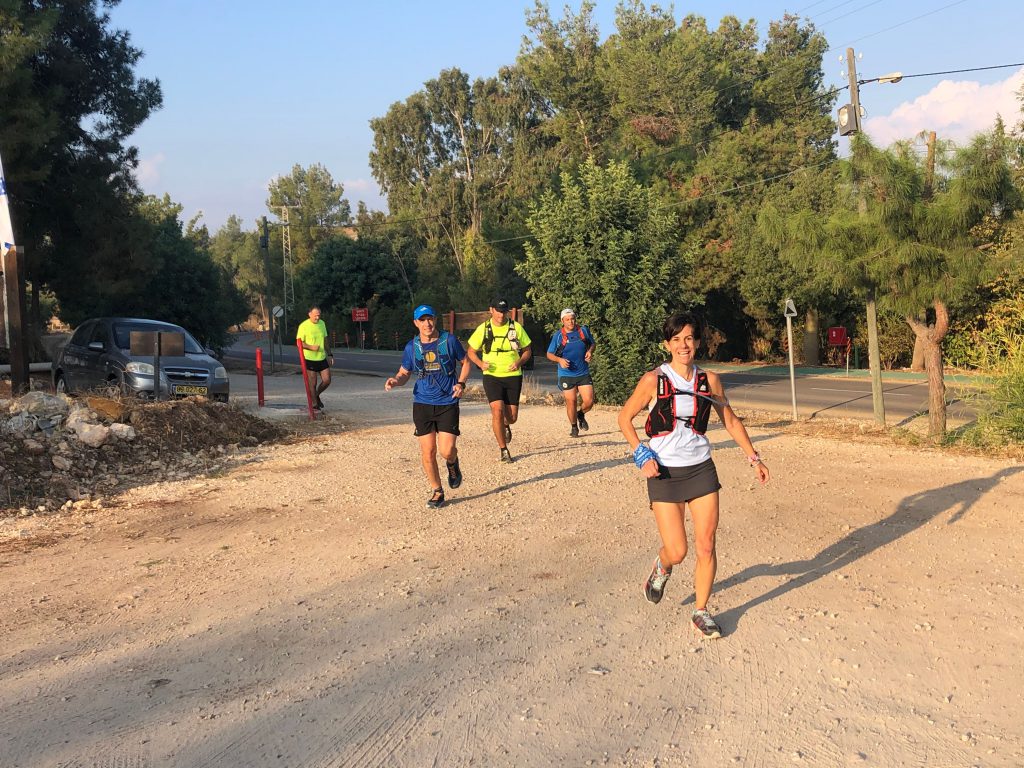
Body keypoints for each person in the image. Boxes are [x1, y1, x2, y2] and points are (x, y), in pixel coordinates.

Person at [617, 310, 769, 639]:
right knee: (678, 550)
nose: (684, 345)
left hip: (701, 468)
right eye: (677, 339)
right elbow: (624, 419)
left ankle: (700, 611)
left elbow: (730, 421)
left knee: (706, 546)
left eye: (689, 338)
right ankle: (662, 567)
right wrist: (641, 453)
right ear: (667, 344)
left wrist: (753, 457)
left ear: (697, 342)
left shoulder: (709, 380)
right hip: (664, 472)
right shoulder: (653, 380)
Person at [384, 304, 471, 508]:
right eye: (422, 320)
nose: (427, 323)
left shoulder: (448, 341)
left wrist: (461, 383)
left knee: (446, 450)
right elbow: (404, 372)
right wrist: (395, 381)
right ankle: (437, 491)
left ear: (435, 320)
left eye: (430, 318)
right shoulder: (411, 347)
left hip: (447, 401)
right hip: (422, 403)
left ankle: (452, 463)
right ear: (416, 323)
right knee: (427, 452)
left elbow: (466, 362)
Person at [466, 298, 532, 463]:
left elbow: (527, 351)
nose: (501, 314)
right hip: (492, 376)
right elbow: (471, 351)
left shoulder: (515, 327)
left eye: (504, 311)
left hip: (512, 376)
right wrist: (481, 364)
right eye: (498, 310)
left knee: (512, 417)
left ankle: (506, 425)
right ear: (491, 310)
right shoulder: (484, 329)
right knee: (497, 410)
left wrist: (518, 362)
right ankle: (503, 450)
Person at [545, 308, 596, 438]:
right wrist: (559, 360)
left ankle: (580, 414)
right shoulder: (558, 336)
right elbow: (549, 354)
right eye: (567, 319)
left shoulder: (583, 331)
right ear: (562, 321)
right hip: (566, 374)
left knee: (589, 401)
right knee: (571, 401)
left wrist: (590, 351)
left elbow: (592, 344)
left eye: (572, 318)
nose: (570, 322)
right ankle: (574, 426)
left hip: (583, 371)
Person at [296, 306, 333, 410]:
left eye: (319, 315)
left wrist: (330, 354)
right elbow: (299, 343)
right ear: (309, 314)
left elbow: (325, 340)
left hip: (321, 357)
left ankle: (316, 395)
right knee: (313, 383)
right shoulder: (303, 326)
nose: (317, 317)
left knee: (327, 380)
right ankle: (314, 405)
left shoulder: (322, 323)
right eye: (315, 315)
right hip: (309, 358)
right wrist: (310, 347)